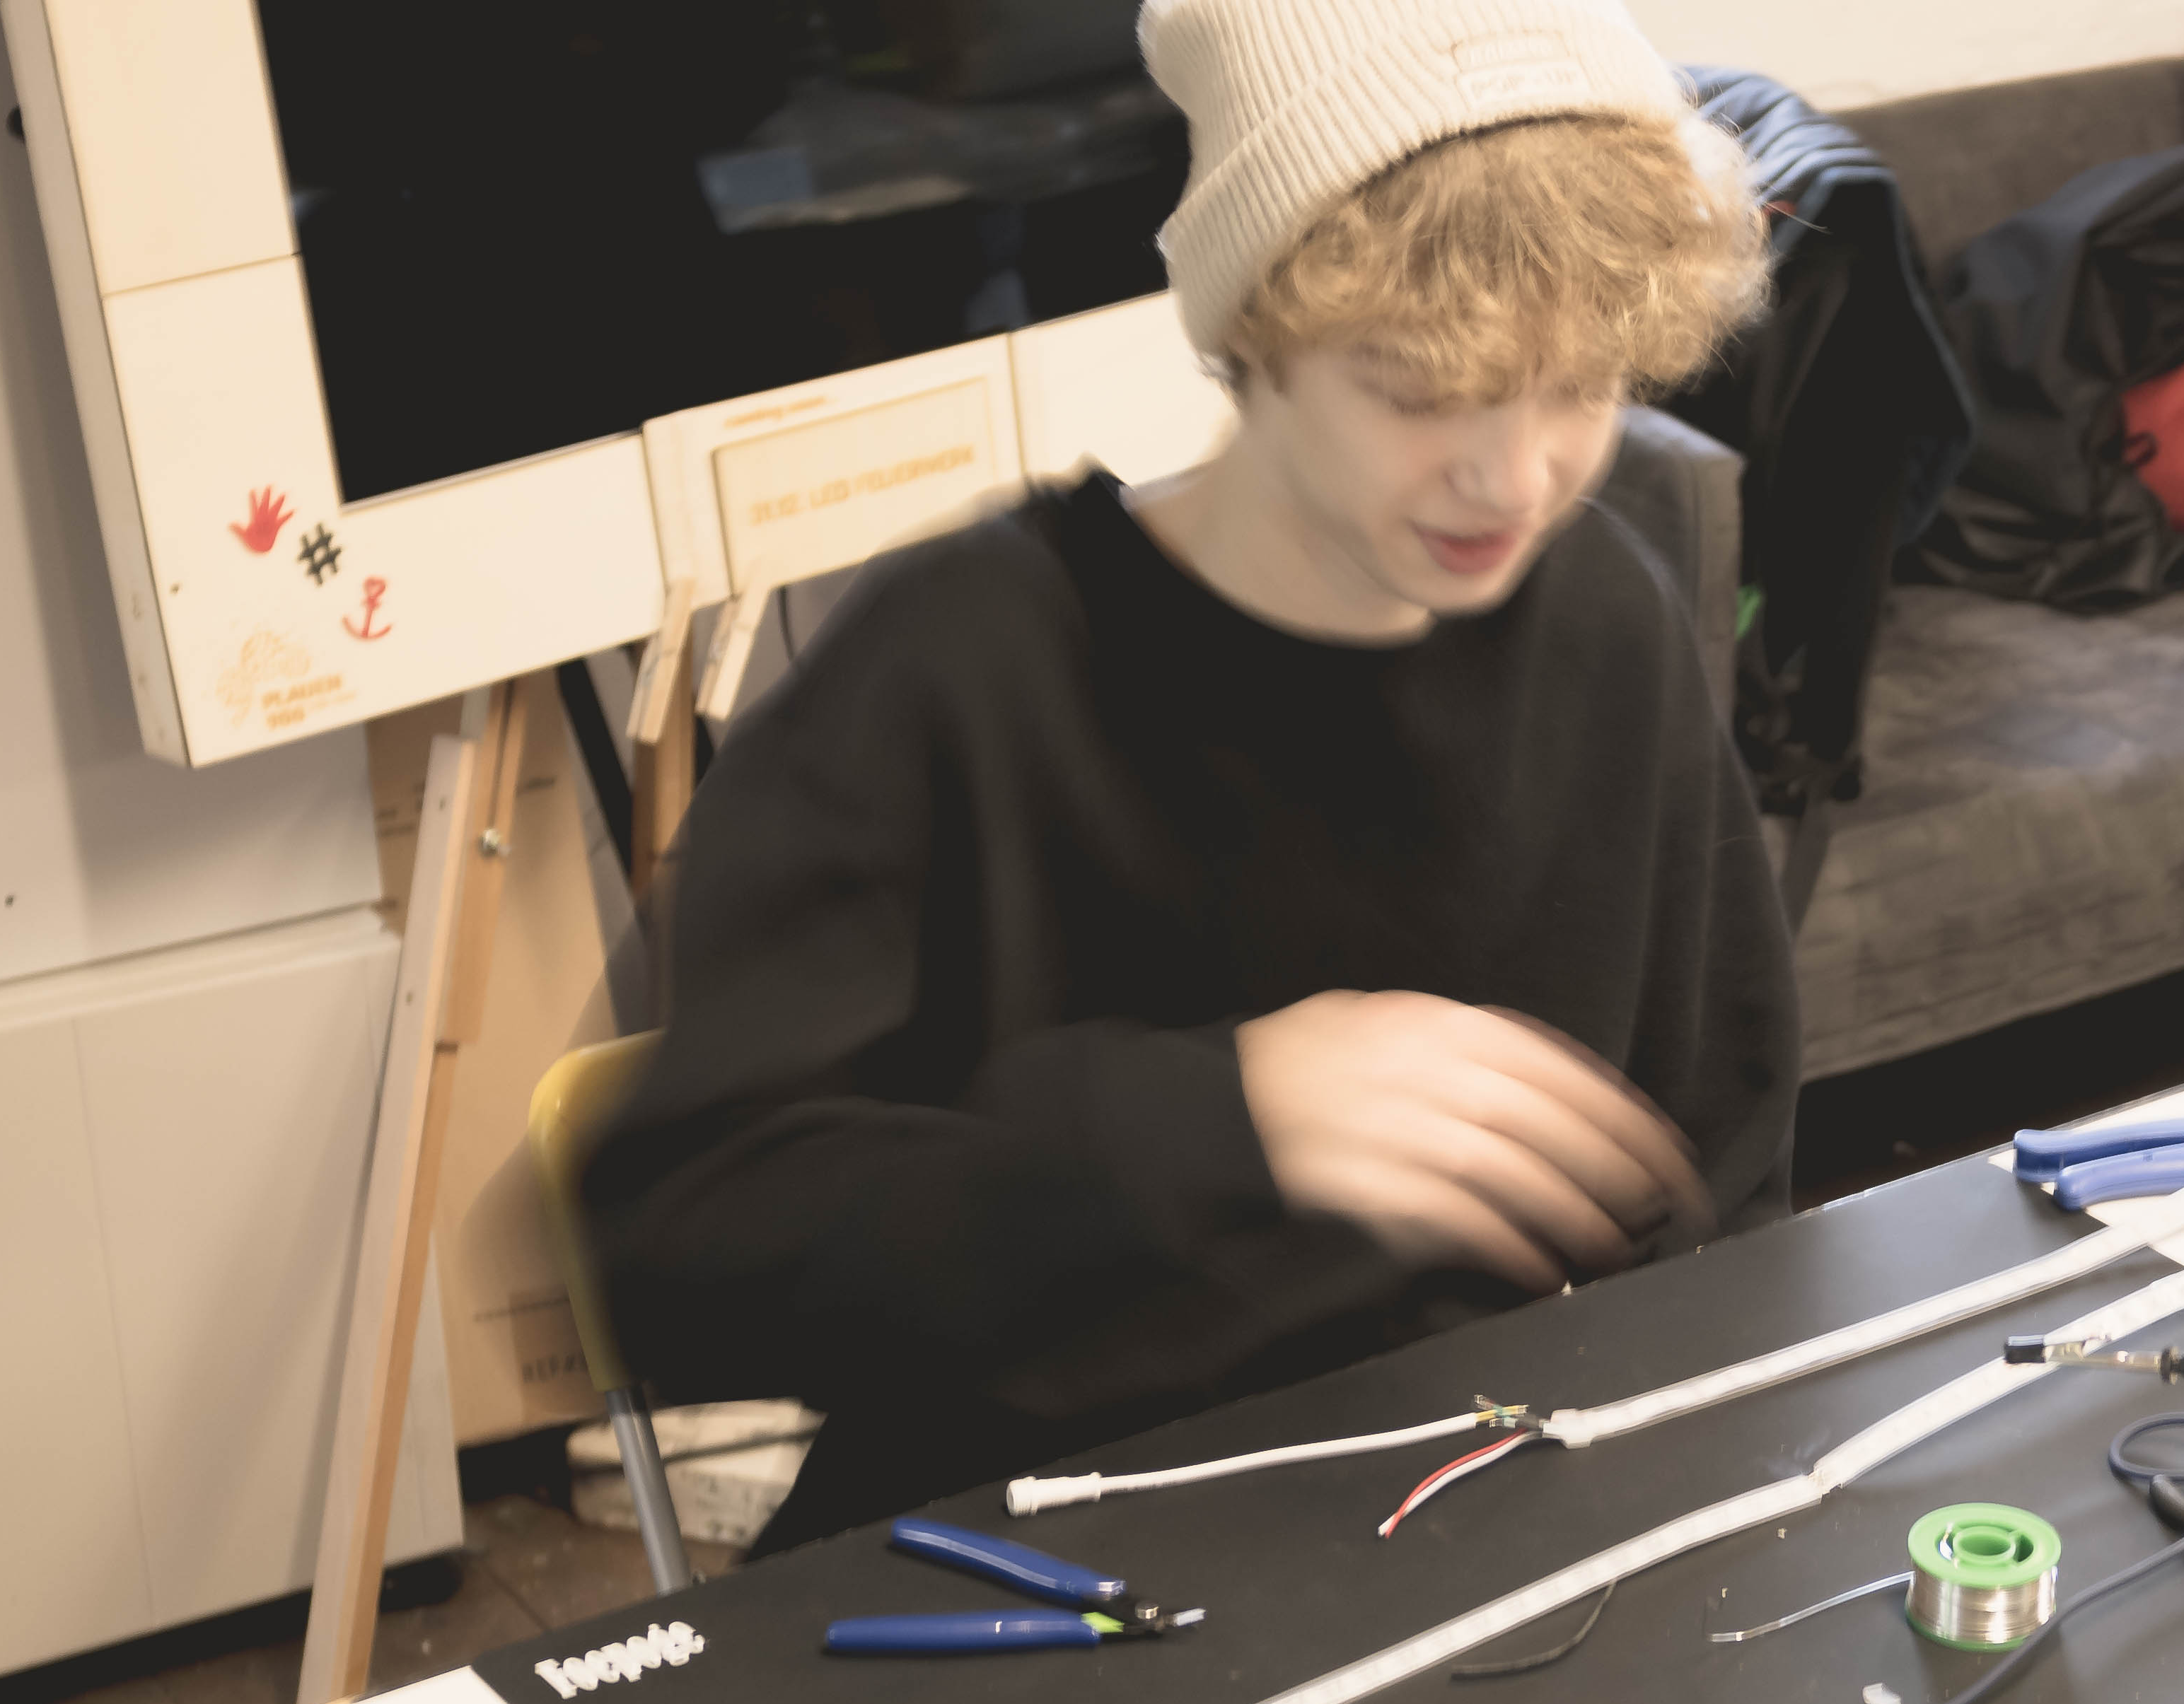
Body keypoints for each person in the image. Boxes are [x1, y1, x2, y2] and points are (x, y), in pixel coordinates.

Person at [583, 0, 1794, 1552]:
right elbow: (679, 1248)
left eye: (1576, 387)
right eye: (1420, 385)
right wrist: (1223, 1118)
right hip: (1030, 1557)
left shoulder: (1610, 621)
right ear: (1258, 330)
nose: (1514, 476)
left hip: (1472, 1527)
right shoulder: (967, 663)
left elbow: (1725, 1176)